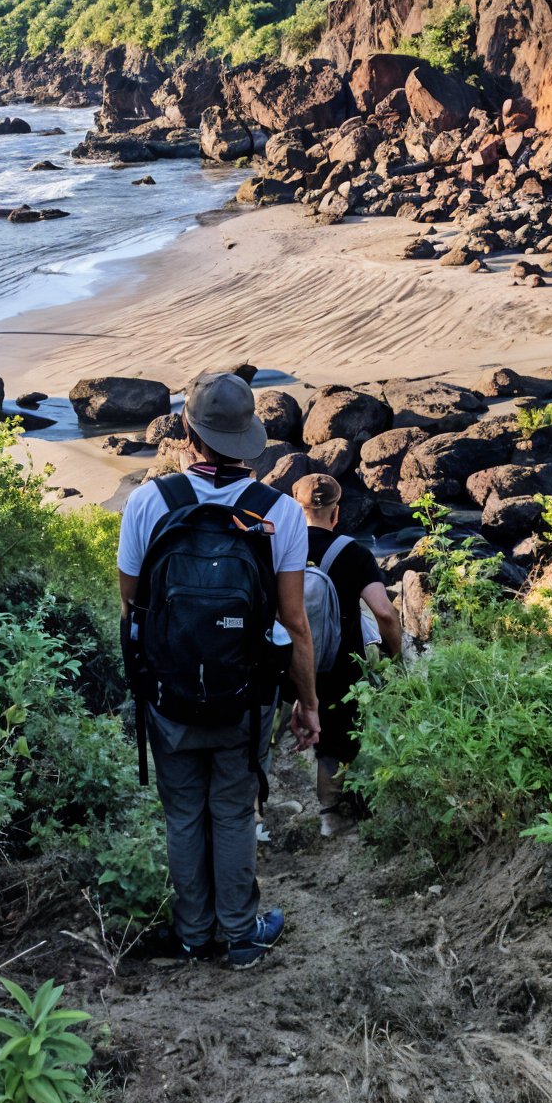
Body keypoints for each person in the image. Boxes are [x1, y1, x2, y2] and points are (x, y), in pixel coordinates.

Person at [117, 371, 319, 969]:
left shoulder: (150, 502)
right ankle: (240, 935)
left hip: (168, 691)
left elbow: (133, 604)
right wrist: (306, 703)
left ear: (186, 430)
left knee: (183, 811)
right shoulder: (278, 512)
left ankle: (192, 932)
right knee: (233, 809)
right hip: (246, 695)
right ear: (250, 437)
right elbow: (294, 623)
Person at [289, 473, 402, 837]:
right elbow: (384, 612)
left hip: (284, 659)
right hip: (338, 663)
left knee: (264, 738)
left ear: (296, 506)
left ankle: (253, 819)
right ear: (336, 512)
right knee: (337, 738)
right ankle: (330, 816)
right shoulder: (354, 553)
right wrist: (392, 654)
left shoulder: (280, 549)